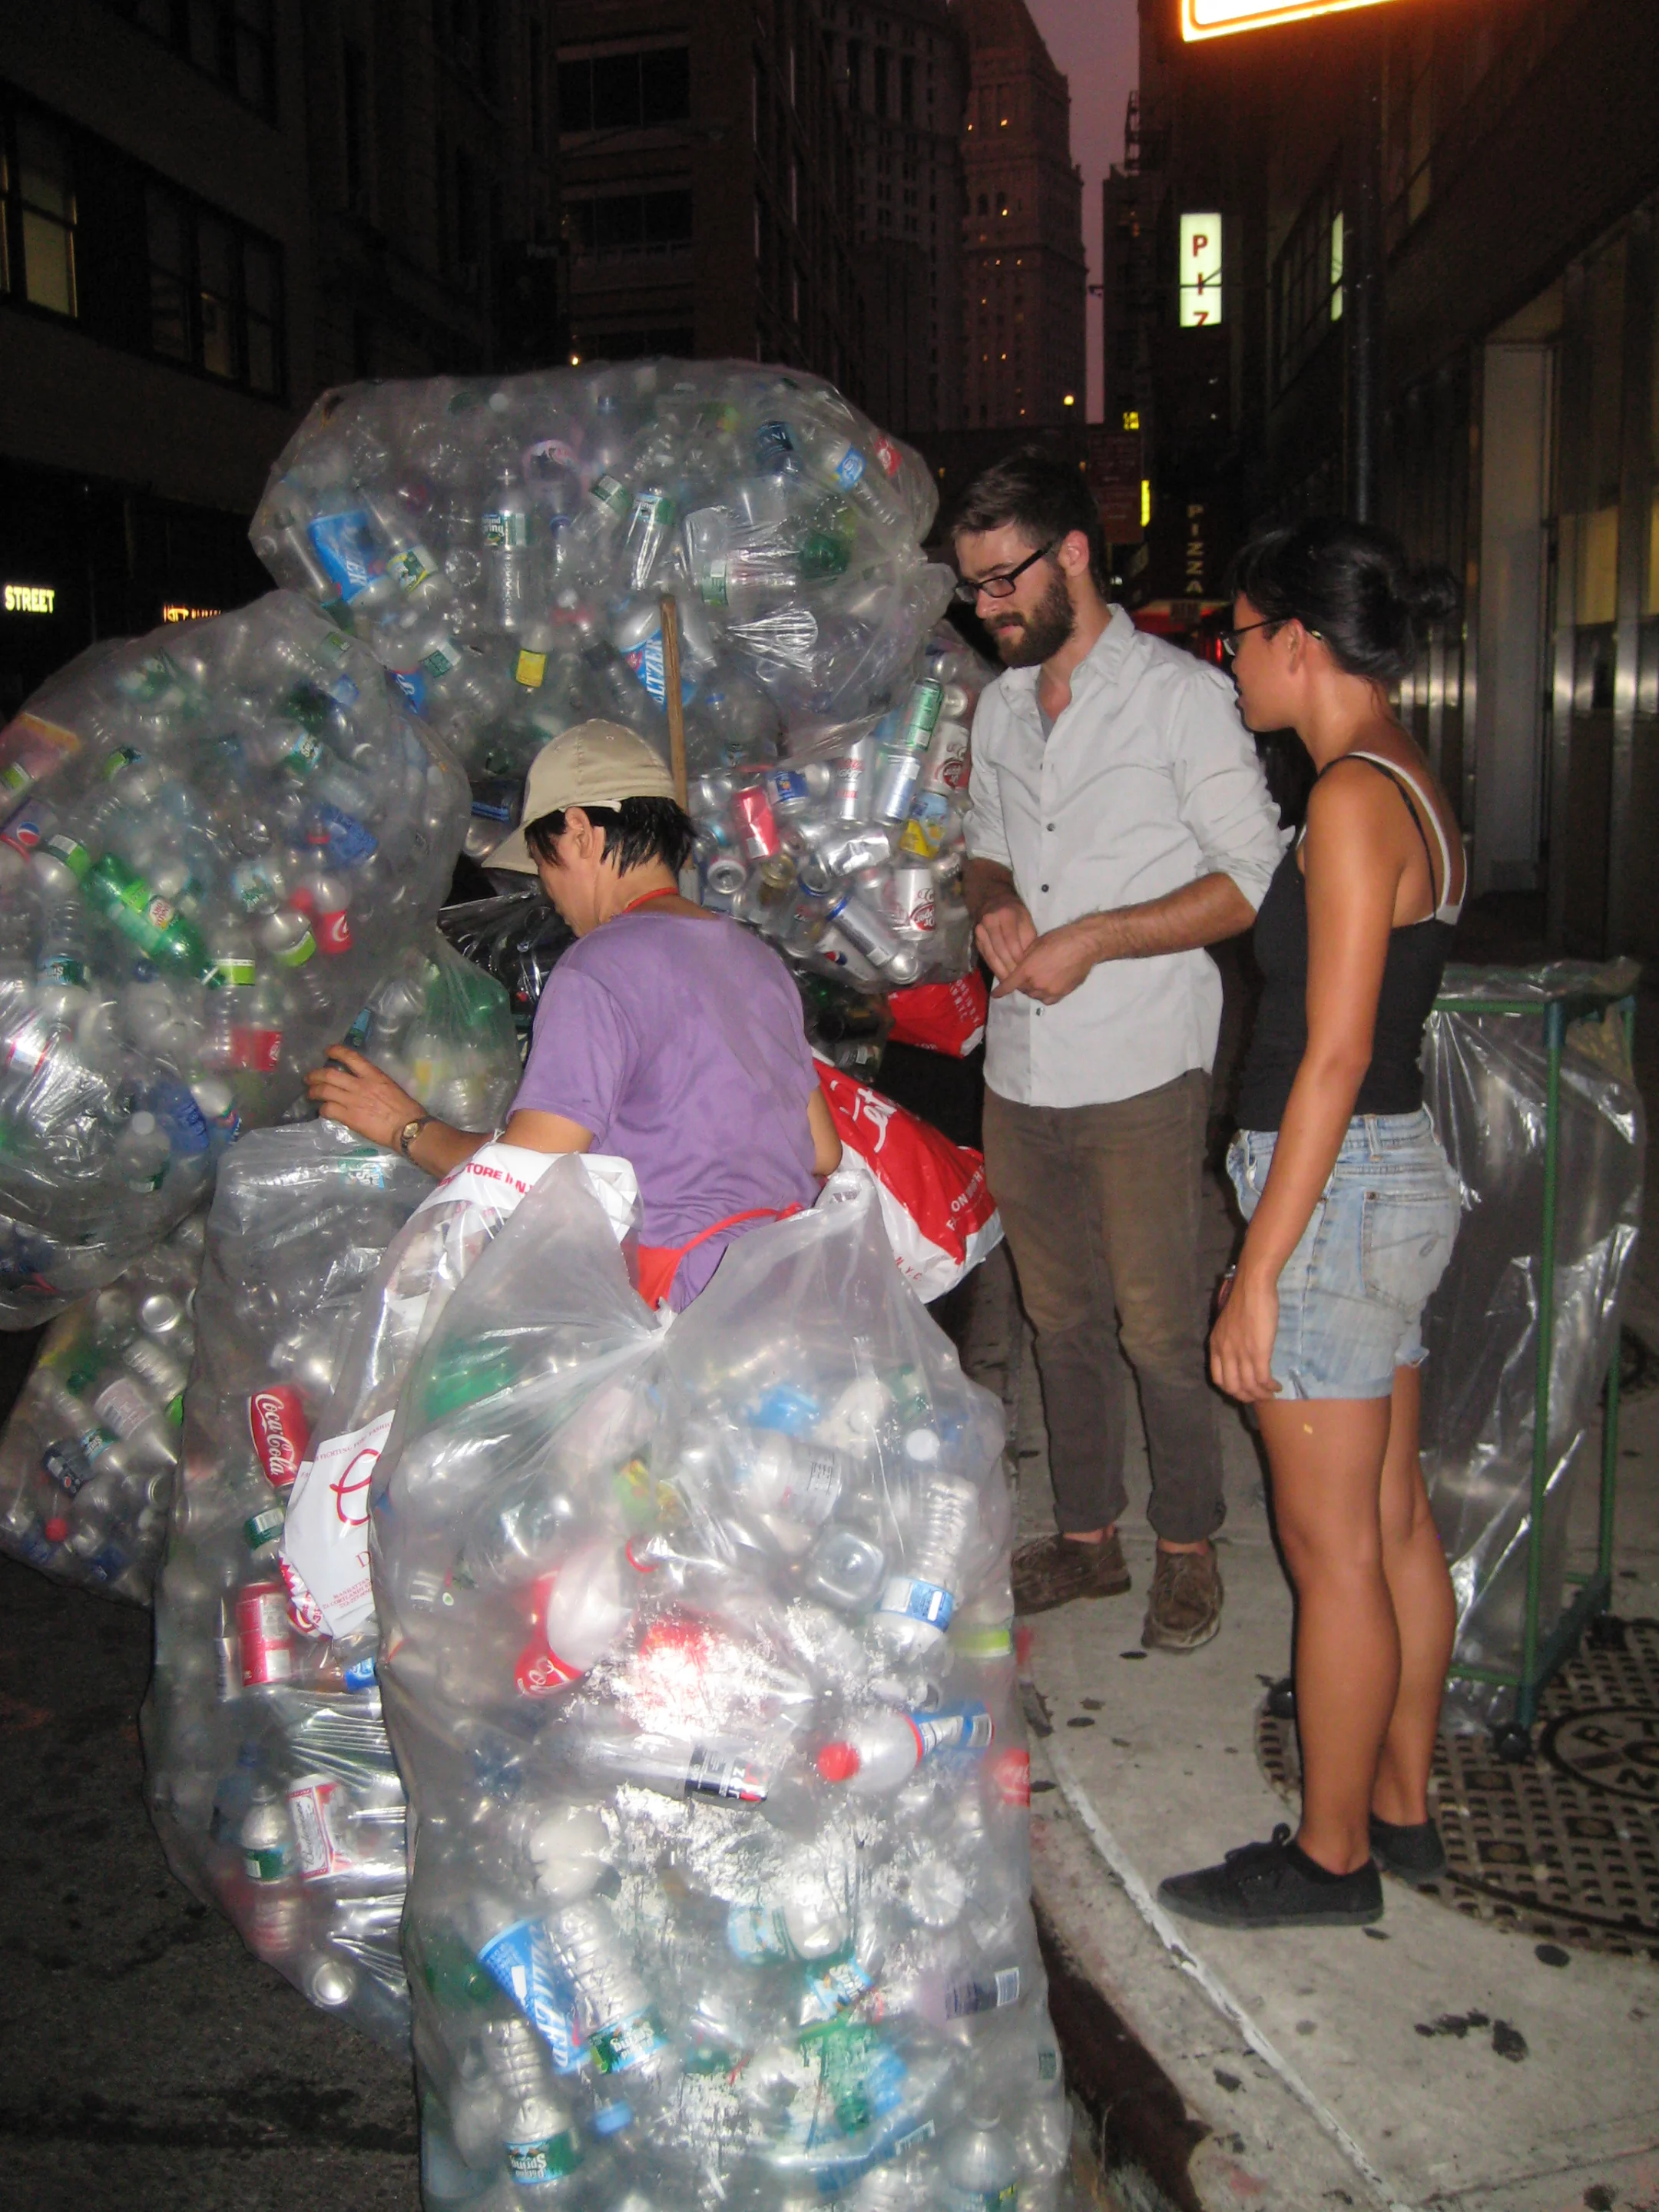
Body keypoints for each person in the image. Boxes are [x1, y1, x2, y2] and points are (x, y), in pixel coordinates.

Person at [1158, 518, 1464, 1932]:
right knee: (1392, 1522)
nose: (1227, 658)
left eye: (1237, 631)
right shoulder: (1412, 780)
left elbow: (1330, 1053)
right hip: (1385, 1175)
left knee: (1333, 1545)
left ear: (1298, 636)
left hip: (1333, 1192)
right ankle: (1398, 1808)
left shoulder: (1350, 798)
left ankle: (1331, 1858)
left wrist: (1255, 1273)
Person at [955, 449, 1283, 1650]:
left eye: (1003, 582)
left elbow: (1253, 877)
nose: (987, 608)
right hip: (1021, 1068)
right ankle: (1088, 1538)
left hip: (1142, 1063)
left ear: (1075, 555)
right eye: (975, 587)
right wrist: (992, 900)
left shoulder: (1179, 697)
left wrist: (1100, 935)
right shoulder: (999, 705)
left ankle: (1187, 1542)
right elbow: (986, 842)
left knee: (1156, 1323)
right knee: (1060, 1317)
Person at [306, 720, 843, 1311]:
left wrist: (405, 1128)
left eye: (545, 863)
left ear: (581, 832)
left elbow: (527, 1175)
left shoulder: (598, 965)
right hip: (794, 1291)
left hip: (696, 1313)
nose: (550, 894)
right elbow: (821, 1150)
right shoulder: (757, 960)